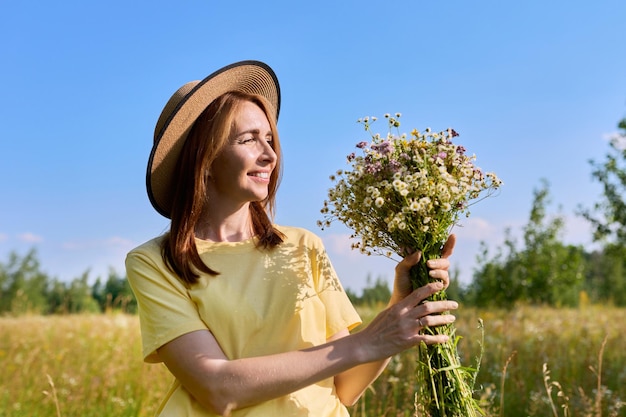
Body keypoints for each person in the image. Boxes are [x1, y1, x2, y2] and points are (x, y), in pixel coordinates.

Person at [126, 60, 459, 417]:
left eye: (269, 139)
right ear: (204, 157)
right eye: (248, 139)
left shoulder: (304, 246)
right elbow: (217, 389)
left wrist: (400, 304)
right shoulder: (155, 261)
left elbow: (345, 388)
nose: (269, 154)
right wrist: (367, 341)